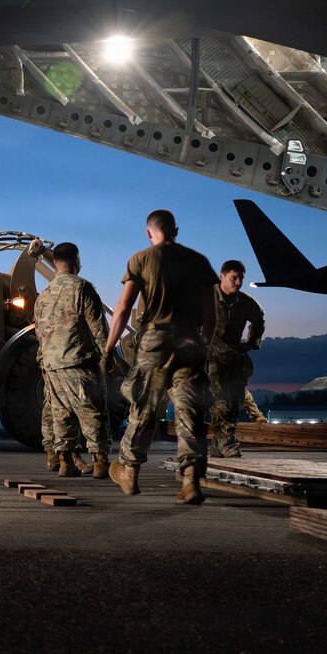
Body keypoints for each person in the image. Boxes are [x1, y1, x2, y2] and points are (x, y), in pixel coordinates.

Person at [103, 209, 218, 501]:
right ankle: (191, 480)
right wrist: (203, 344)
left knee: (144, 407)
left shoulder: (141, 259)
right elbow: (211, 314)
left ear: (148, 232)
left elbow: (124, 306)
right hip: (190, 341)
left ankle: (129, 472)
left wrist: (108, 348)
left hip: (157, 340)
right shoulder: (199, 261)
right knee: (190, 411)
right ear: (176, 230)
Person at [31, 241, 109, 479]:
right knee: (91, 411)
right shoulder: (82, 288)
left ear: (54, 263)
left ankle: (65, 463)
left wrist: (45, 363)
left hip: (51, 365)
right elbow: (98, 328)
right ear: (76, 261)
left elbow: (39, 333)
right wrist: (107, 356)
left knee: (61, 413)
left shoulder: (42, 297)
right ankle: (100, 463)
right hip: (78, 362)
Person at [206, 259, 265, 458]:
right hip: (209, 357)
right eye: (234, 278)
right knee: (220, 399)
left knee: (233, 403)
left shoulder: (245, 302)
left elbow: (258, 318)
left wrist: (250, 343)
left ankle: (216, 445)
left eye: (240, 278)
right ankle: (228, 443)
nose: (238, 282)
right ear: (222, 277)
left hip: (234, 358)